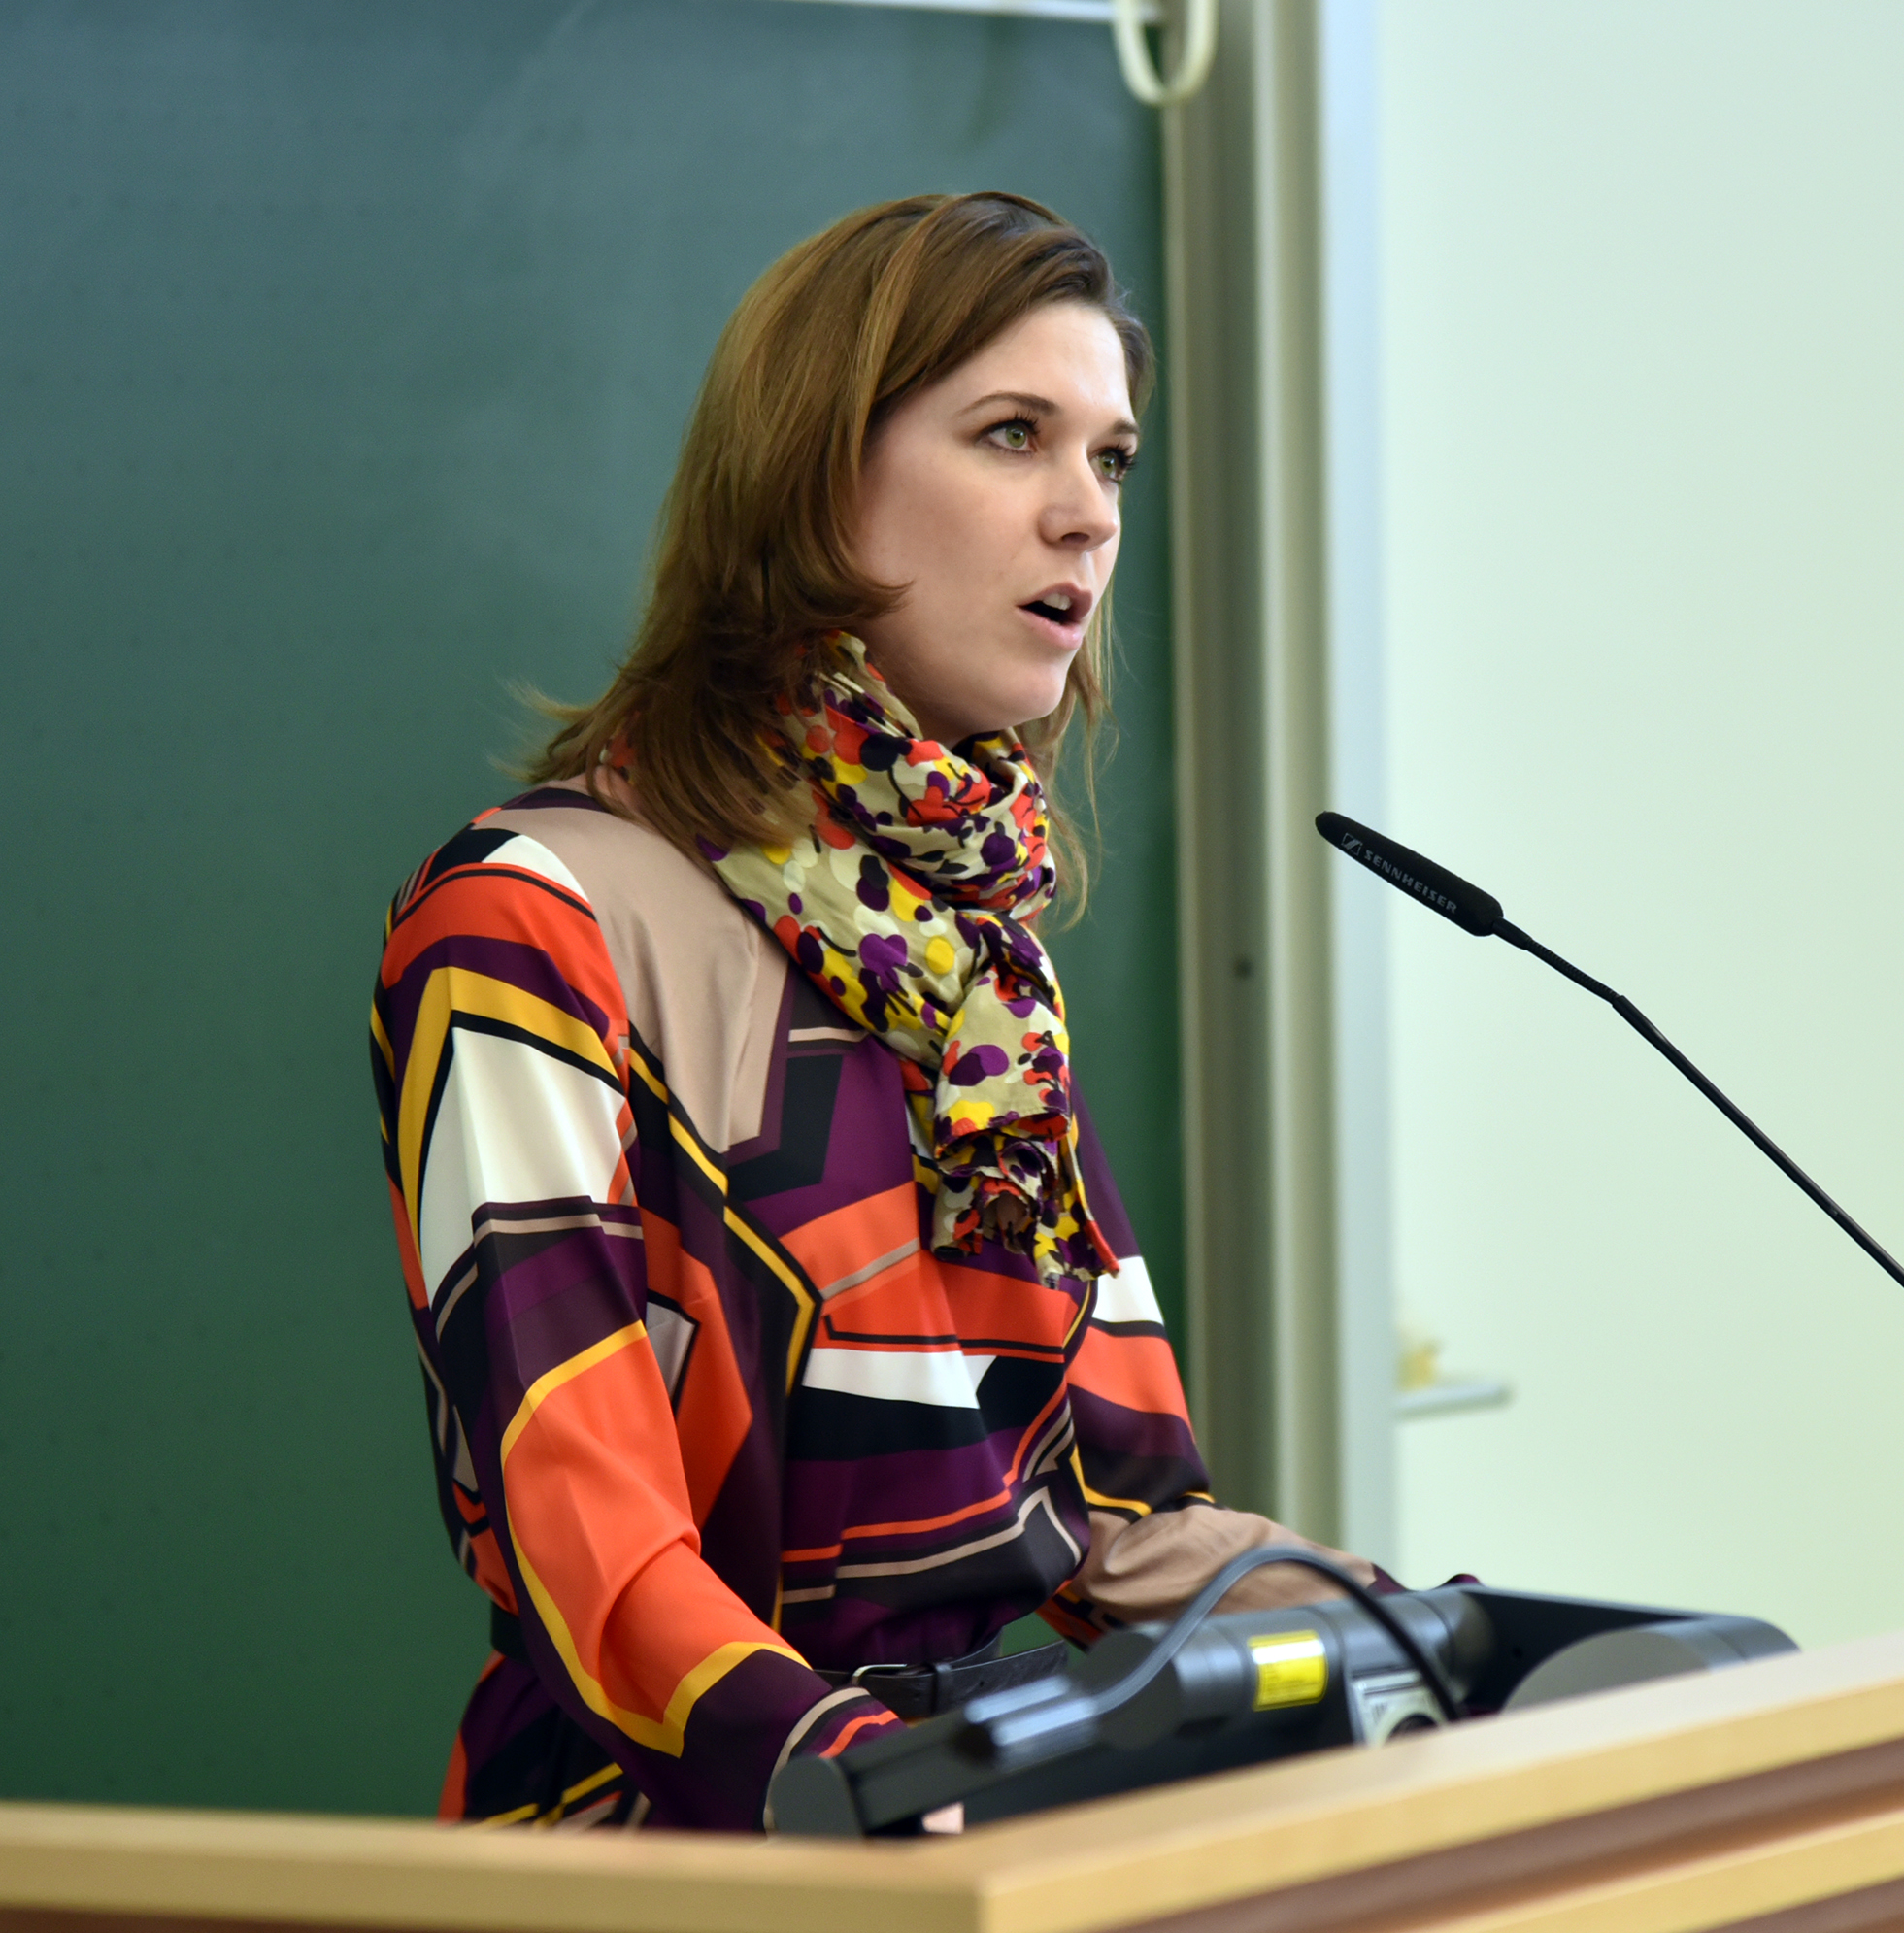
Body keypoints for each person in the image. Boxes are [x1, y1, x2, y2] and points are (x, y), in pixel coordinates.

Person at [371, 192, 1386, 1833]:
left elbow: (1121, 1526)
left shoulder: (974, 964)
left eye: (1110, 459)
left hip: (1010, 1822)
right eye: (1011, 437)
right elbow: (597, 1560)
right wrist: (888, 1790)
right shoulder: (531, 922)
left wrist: (1438, 1645)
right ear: (808, 476)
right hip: (682, 1850)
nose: (1086, 516)